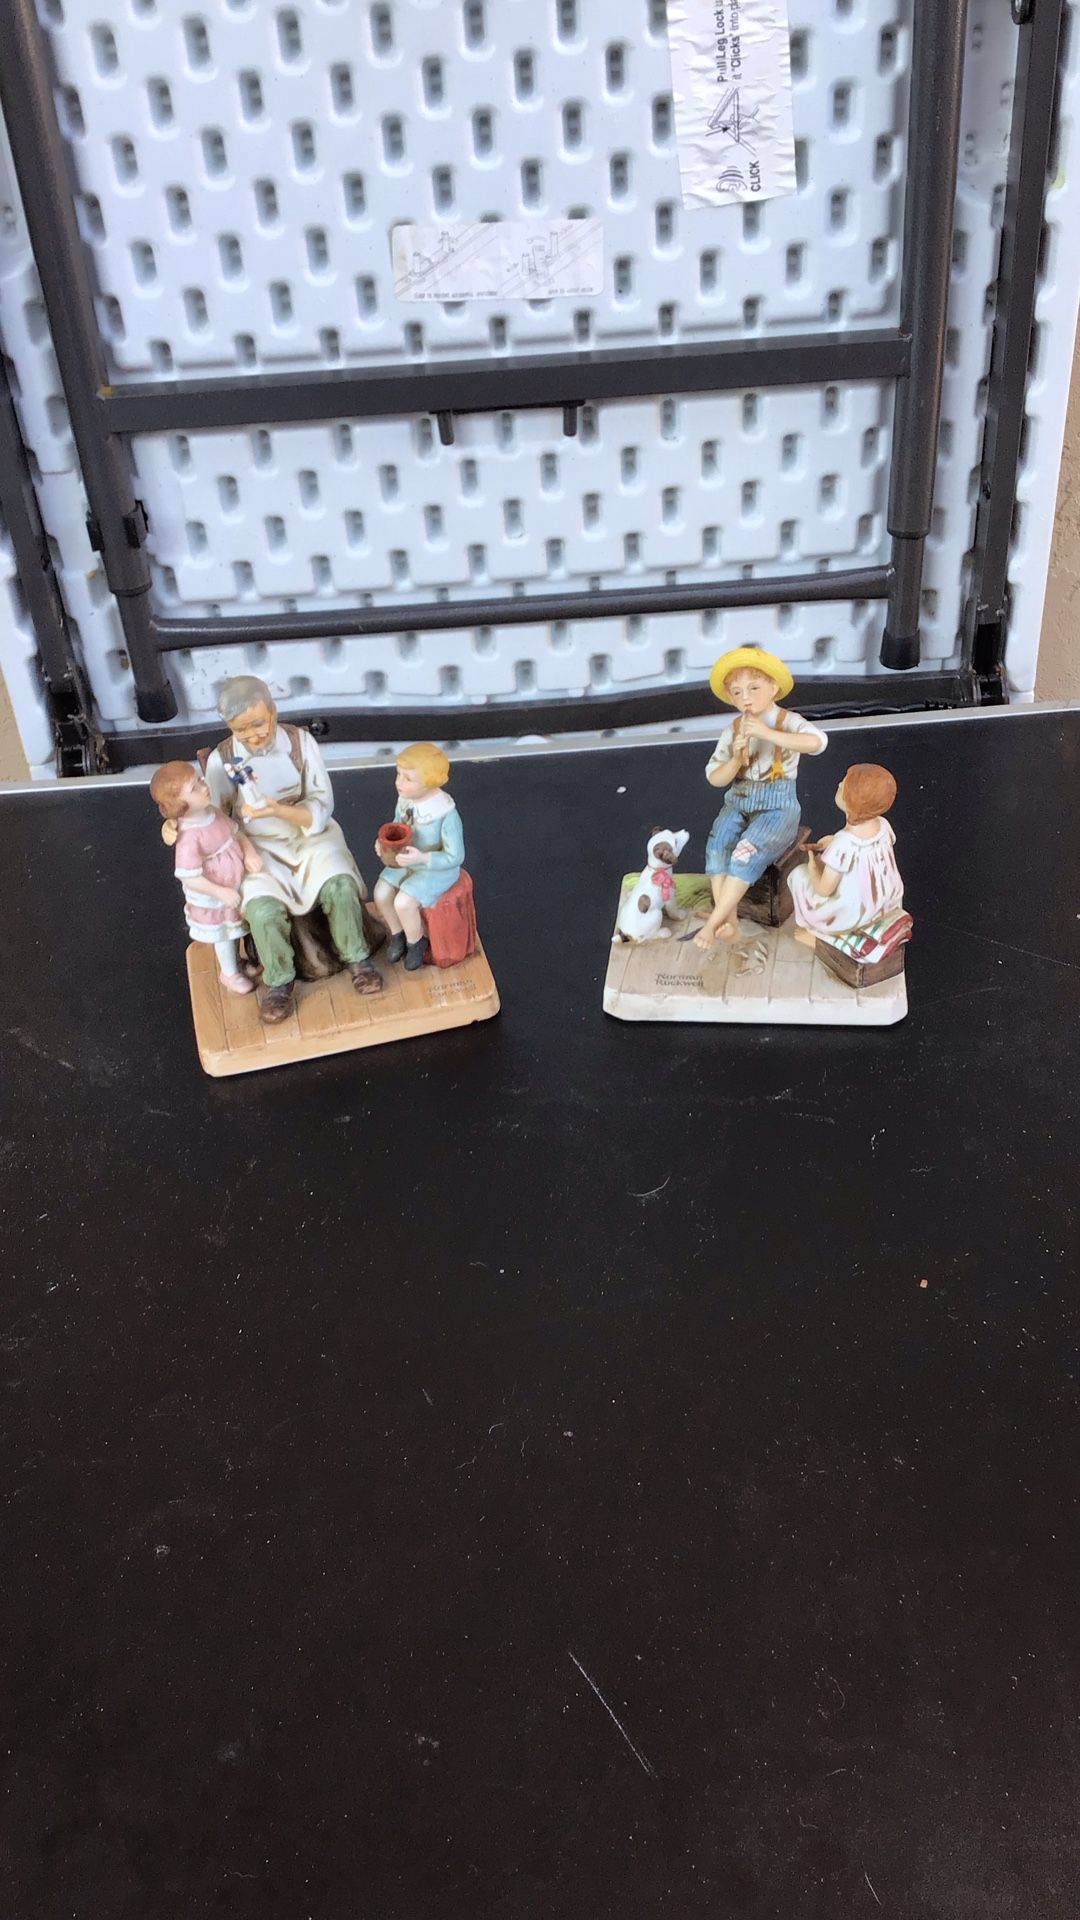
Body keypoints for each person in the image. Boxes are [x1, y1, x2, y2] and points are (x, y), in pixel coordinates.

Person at [203, 676, 382, 1023]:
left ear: (273, 711)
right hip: (257, 846)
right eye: (241, 729)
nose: (253, 735)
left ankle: (357, 958)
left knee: (339, 884)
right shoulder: (221, 760)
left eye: (258, 723)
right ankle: (279, 980)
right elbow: (216, 819)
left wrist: (278, 810)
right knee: (262, 909)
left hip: (309, 836)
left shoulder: (300, 743)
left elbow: (321, 801)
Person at [694, 646, 828, 950]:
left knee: (745, 851)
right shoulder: (733, 729)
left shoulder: (786, 720)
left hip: (777, 808)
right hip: (739, 800)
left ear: (774, 687)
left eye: (754, 688)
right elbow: (715, 777)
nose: (745, 698)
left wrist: (768, 734)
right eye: (737, 692)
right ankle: (730, 921)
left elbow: (818, 742)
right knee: (718, 844)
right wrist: (735, 760)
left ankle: (713, 924)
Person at [150, 760, 261, 996]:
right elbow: (190, 877)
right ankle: (229, 973)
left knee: (236, 928)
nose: (204, 786)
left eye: (200, 780)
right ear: (179, 805)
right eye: (194, 788)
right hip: (215, 896)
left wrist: (249, 852)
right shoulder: (189, 837)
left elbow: (236, 833)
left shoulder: (212, 813)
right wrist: (220, 892)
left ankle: (239, 962)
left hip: (235, 883)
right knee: (224, 935)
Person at [787, 764, 903, 947]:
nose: (839, 784)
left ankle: (818, 935)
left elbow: (824, 889)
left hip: (855, 914)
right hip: (886, 902)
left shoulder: (843, 845)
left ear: (853, 802)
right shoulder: (883, 825)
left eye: (844, 785)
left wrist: (812, 868)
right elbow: (864, 849)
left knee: (798, 876)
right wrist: (833, 842)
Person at [373, 742, 464, 971]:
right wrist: (385, 843)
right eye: (398, 774)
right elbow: (398, 824)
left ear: (429, 782)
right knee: (381, 892)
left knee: (403, 902)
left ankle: (416, 941)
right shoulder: (405, 800)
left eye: (408, 779)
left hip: (435, 868)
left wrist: (422, 858)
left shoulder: (445, 814)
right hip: (407, 858)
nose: (398, 782)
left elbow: (455, 856)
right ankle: (398, 934)